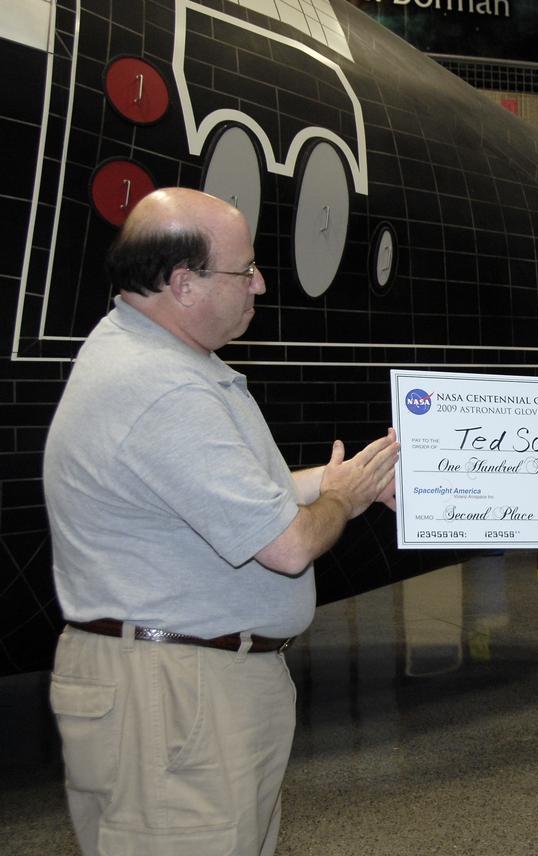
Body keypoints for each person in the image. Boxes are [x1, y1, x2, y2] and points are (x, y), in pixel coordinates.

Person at [43, 187, 399, 855]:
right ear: (183, 283)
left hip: (178, 688)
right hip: (175, 701)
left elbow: (231, 498)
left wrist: (339, 479)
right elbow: (288, 545)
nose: (260, 283)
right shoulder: (163, 387)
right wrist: (343, 501)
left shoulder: (151, 357)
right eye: (245, 270)